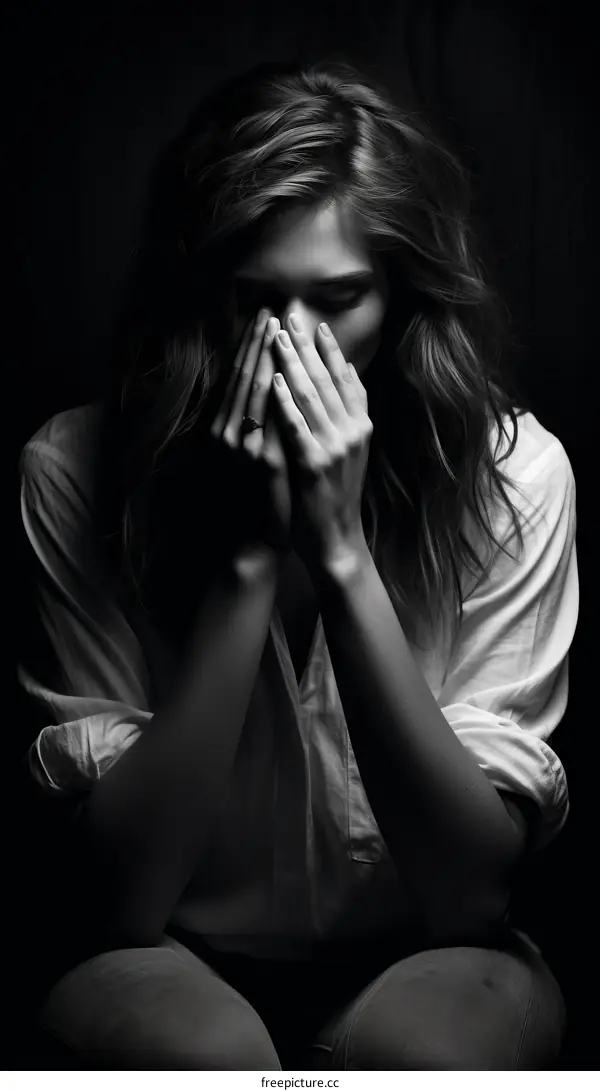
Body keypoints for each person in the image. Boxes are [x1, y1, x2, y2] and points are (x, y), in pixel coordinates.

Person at [17, 60, 577, 1070]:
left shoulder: (517, 475)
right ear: (201, 296)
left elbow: (469, 894)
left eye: (340, 297)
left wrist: (341, 551)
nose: (291, 342)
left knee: (426, 1054)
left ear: (403, 295)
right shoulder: (70, 467)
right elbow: (124, 894)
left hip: (429, 950)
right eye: (256, 297)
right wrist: (244, 563)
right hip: (172, 946)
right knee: (205, 1059)